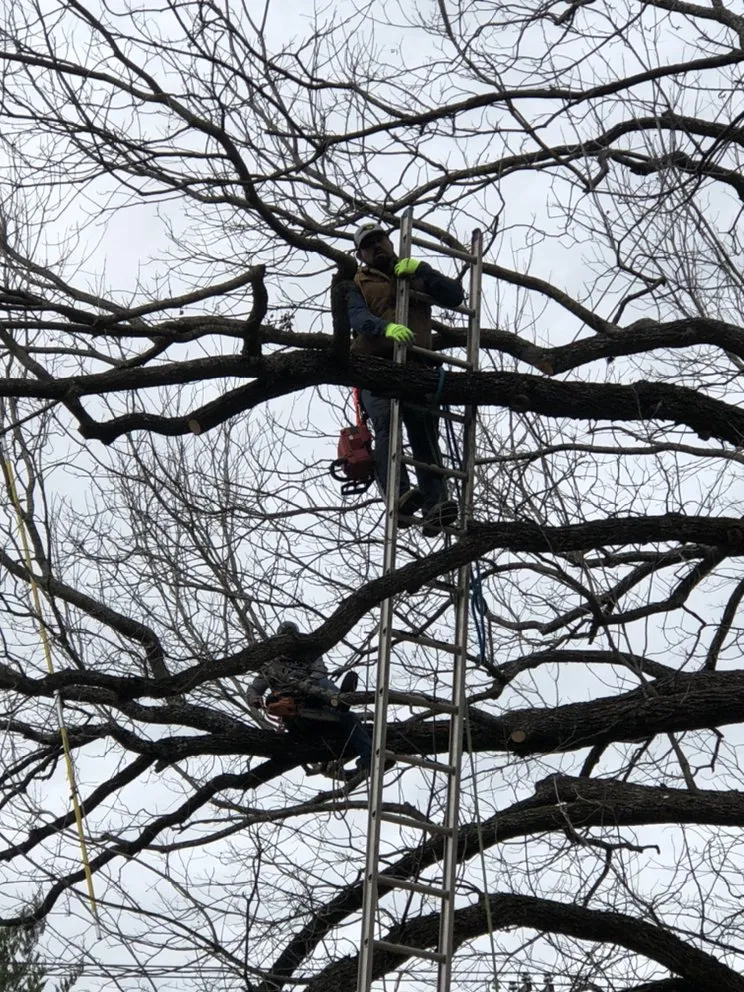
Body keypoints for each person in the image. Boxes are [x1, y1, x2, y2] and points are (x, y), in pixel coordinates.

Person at [347, 221, 464, 535]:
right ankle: (399, 495)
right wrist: (383, 328)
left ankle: (436, 503)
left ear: (389, 241)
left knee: (423, 428)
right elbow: (356, 316)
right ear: (361, 255)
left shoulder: (413, 271)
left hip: (416, 365)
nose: (377, 248)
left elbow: (454, 295)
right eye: (368, 246)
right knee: (386, 422)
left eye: (379, 240)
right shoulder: (356, 281)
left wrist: (424, 271)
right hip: (375, 365)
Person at [248, 621, 372, 778]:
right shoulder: (272, 666)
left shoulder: (309, 655)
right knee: (274, 699)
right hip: (295, 716)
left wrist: (307, 685)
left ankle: (367, 760)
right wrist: (255, 699)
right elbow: (254, 688)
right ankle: (338, 702)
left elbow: (320, 672)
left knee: (349, 718)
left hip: (317, 704)